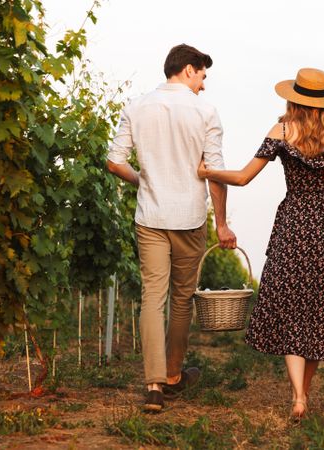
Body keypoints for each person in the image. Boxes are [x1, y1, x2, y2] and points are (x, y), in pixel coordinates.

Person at [197, 68, 324, 419]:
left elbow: (242, 177)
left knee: (295, 310)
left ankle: (298, 396)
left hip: (294, 225)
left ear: (292, 98)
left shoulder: (281, 130)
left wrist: (208, 173)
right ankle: (303, 394)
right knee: (321, 313)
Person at [107, 44, 236, 413]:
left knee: (152, 297)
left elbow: (115, 162)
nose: (204, 85)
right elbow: (215, 173)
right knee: (182, 300)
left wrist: (141, 182)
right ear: (190, 69)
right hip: (189, 218)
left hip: (149, 216)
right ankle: (175, 375)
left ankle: (153, 385)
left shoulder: (136, 106)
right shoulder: (205, 112)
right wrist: (223, 224)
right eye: (203, 76)